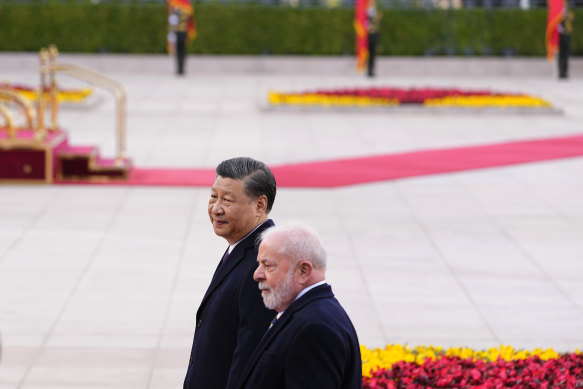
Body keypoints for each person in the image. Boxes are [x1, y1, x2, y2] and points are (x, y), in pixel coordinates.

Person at [183, 157, 277, 389]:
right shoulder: (240, 246)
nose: (216, 208)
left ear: (259, 205)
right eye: (213, 196)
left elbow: (250, 356)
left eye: (227, 200)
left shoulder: (263, 263)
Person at [236, 222, 362, 389]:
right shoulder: (310, 314)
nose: (256, 275)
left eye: (267, 265)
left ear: (303, 271)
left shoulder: (315, 328)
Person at [167, 0, 196, 75]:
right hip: (176, 32)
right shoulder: (174, 7)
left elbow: (189, 20)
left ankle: (182, 69)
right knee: (177, 51)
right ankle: (178, 69)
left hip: (183, 32)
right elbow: (171, 20)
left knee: (182, 51)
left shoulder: (186, 7)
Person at [366, 0, 382, 78]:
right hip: (368, 35)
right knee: (368, 54)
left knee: (373, 54)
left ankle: (372, 70)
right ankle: (368, 70)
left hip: (374, 34)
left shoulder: (376, 12)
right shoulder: (367, 12)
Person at [558, 6, 574, 79]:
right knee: (561, 55)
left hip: (567, 37)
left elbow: (571, 20)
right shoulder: (560, 17)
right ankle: (561, 72)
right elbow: (558, 27)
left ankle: (565, 72)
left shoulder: (568, 15)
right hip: (561, 38)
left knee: (566, 56)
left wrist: (565, 15)